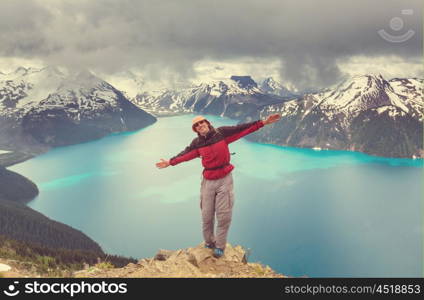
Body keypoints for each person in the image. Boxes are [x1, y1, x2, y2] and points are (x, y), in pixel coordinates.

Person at [155, 113, 281, 258]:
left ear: (207, 123)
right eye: (196, 125)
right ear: (195, 130)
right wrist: (170, 162)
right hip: (208, 181)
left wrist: (263, 122)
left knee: (224, 216)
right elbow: (186, 154)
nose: (200, 125)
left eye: (202, 122)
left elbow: (241, 129)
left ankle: (220, 247)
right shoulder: (197, 143)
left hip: (225, 179)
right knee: (206, 215)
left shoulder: (222, 133)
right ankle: (209, 242)